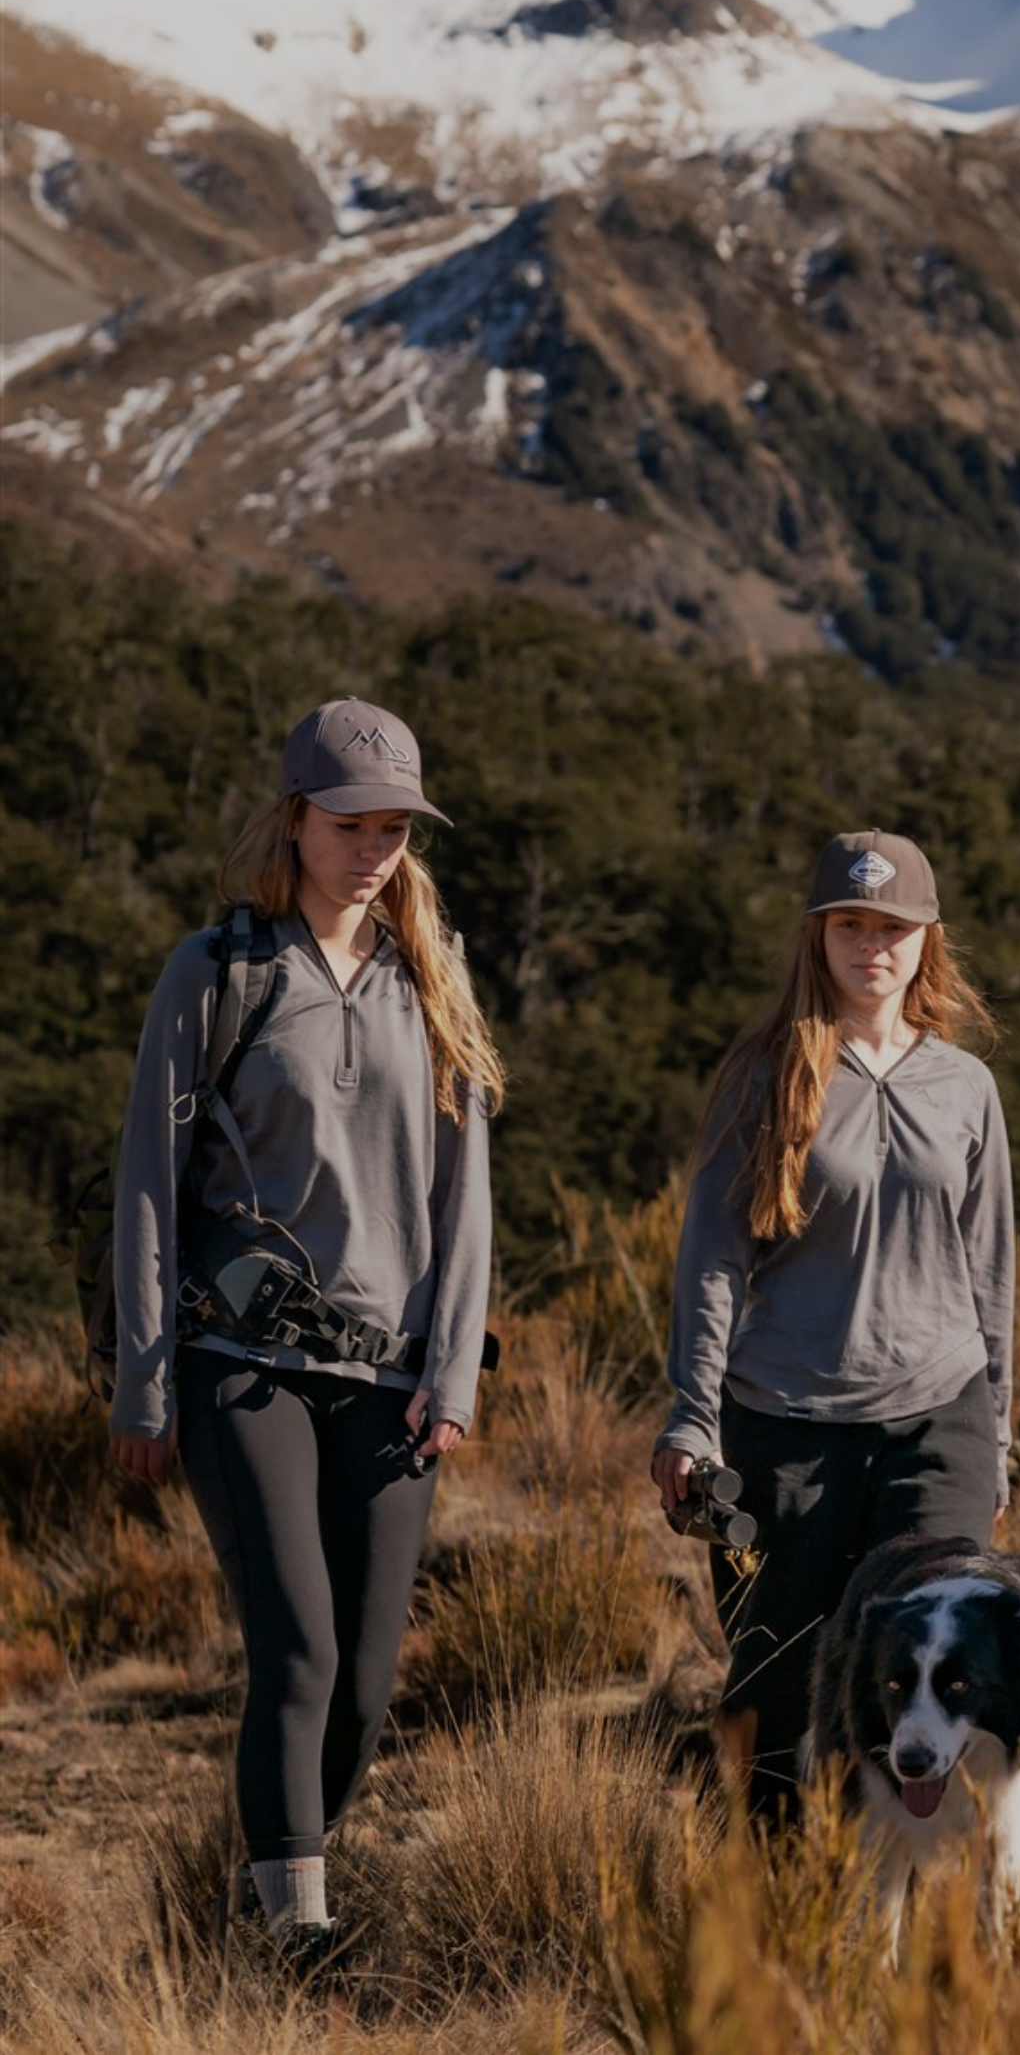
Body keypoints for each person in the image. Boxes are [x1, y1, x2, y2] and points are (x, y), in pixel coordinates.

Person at [108, 700, 503, 1948]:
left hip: (390, 1383)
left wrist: (454, 1377)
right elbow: (145, 1188)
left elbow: (463, 1198)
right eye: (352, 824)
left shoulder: (431, 983)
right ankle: (293, 1935)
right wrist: (144, 1384)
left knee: (368, 1689)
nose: (375, 848)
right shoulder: (216, 972)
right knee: (299, 1653)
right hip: (243, 1369)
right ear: (296, 820)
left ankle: (254, 1891)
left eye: (395, 827)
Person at [655, 830, 1016, 1810]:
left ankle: (906, 1931)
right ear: (818, 935)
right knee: (782, 1688)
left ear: (925, 940)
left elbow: (992, 1278)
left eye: (892, 927)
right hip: (784, 1428)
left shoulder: (966, 1087)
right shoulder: (762, 1076)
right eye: (851, 924)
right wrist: (694, 1416)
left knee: (932, 1669)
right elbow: (711, 1263)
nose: (873, 946)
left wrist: (997, 1440)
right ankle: (773, 1914)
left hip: (939, 1423)